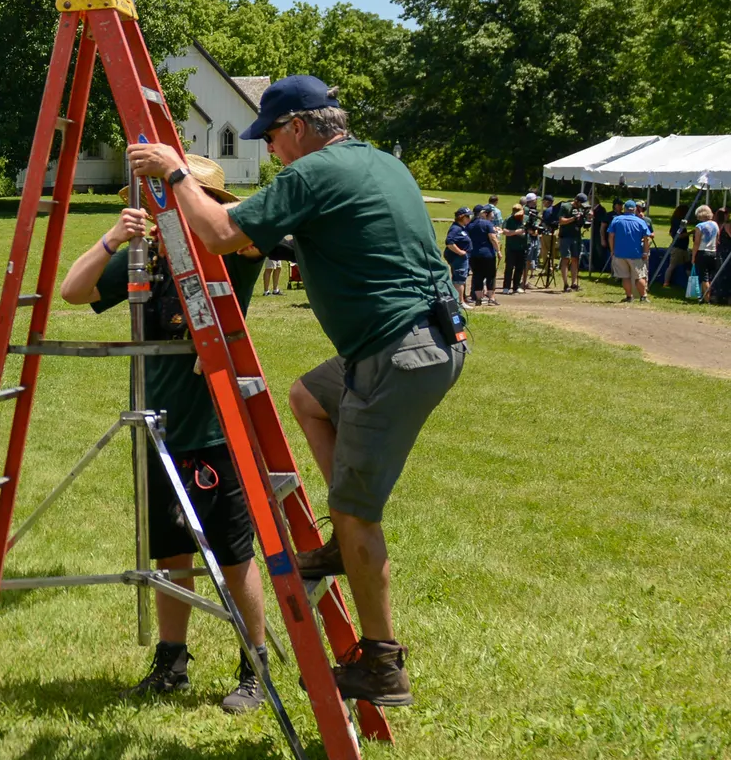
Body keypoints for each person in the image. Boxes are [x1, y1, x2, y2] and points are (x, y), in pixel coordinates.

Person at [130, 75, 465, 709]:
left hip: (396, 352)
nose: (271, 150)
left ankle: (383, 665)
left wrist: (175, 172)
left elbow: (220, 234)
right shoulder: (381, 164)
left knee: (359, 513)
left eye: (272, 137)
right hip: (425, 338)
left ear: (301, 128)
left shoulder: (312, 173)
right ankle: (344, 543)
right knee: (309, 397)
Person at [55, 155, 270, 713]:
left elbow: (263, 228)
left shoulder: (230, 251)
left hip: (214, 429)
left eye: (176, 199)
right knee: (172, 554)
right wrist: (113, 237)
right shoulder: (146, 258)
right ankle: (172, 664)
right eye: (161, 201)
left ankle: (255, 669)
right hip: (157, 430)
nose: (167, 210)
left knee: (233, 556)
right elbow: (72, 291)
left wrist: (195, 201)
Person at [608, 200, 652, 302]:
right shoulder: (640, 221)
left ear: (624, 209)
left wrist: (612, 250)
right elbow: (647, 239)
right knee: (639, 276)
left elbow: (611, 236)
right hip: (635, 253)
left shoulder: (616, 220)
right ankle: (643, 297)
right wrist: (645, 252)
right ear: (635, 209)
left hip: (619, 253)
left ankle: (629, 296)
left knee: (625, 277)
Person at [464, 206, 499, 306]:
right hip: (487, 254)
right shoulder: (487, 224)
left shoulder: (469, 225)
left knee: (477, 275)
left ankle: (478, 299)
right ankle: (491, 298)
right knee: (490, 275)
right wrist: (498, 251)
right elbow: (493, 238)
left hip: (473, 254)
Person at [557, 194, 587, 292]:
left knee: (575, 259)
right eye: (580, 203)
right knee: (565, 259)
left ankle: (574, 283)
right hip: (565, 236)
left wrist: (585, 218)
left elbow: (582, 223)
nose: (581, 205)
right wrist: (573, 218)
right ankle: (565, 284)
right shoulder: (565, 206)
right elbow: (561, 221)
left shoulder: (581, 208)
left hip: (576, 236)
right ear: (576, 200)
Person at [695, 205, 721, 301]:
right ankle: (710, 295)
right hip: (713, 252)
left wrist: (694, 256)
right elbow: (717, 239)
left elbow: (696, 243)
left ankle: (706, 298)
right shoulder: (715, 224)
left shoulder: (699, 226)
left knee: (704, 277)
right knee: (711, 276)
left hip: (702, 252)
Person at [444, 209, 473, 293]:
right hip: (458, 258)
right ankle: (459, 300)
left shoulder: (462, 228)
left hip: (462, 258)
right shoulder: (455, 229)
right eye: (467, 216)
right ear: (461, 217)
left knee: (461, 280)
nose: (469, 218)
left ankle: (461, 298)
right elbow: (449, 242)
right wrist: (460, 252)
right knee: (459, 281)